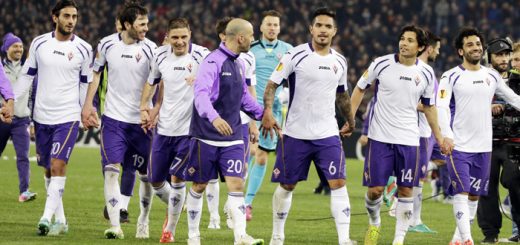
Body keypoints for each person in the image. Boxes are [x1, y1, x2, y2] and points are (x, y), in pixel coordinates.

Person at [260, 7, 356, 245]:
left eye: (328, 27)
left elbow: (342, 95)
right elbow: (272, 85)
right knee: (287, 184)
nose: (323, 30)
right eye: (319, 25)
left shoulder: (339, 61)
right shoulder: (295, 55)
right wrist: (268, 112)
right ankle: (277, 235)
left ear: (335, 31)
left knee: (338, 183)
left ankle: (344, 240)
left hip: (327, 134)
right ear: (311, 29)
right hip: (296, 133)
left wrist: (351, 120)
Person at [350, 25, 443, 245]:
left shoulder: (427, 73)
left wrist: (440, 137)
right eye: (402, 38)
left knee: (406, 189)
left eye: (410, 40)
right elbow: (360, 88)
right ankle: (374, 224)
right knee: (375, 191)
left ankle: (398, 240)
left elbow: (429, 107)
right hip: (380, 138)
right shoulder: (381, 63)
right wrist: (350, 118)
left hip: (410, 139)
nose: (404, 43)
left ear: (421, 47)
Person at [13, 0, 93, 236]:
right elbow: (27, 76)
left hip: (67, 116)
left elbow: (85, 83)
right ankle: (61, 219)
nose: (71, 21)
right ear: (55, 17)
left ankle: (45, 218)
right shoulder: (39, 43)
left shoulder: (84, 49)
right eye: (66, 16)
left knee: (59, 164)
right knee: (49, 169)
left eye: (74, 17)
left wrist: (84, 111)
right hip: (41, 116)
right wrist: (10, 102)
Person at [183, 18, 264, 245]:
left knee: (236, 184)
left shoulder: (239, 64)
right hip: (205, 137)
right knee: (199, 185)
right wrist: (214, 117)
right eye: (251, 35)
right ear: (240, 38)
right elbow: (200, 95)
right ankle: (193, 236)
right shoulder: (212, 62)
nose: (252, 39)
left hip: (232, 138)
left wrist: (264, 115)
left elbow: (244, 99)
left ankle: (240, 236)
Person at [437, 27, 520, 245]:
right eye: (470, 44)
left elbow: (513, 98)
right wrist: (446, 136)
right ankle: (467, 239)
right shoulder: (451, 76)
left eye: (477, 44)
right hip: (459, 146)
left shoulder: (491, 75)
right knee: (462, 192)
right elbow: (441, 107)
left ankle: (457, 238)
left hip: (484, 147)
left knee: (474, 195)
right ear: (460, 51)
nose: (475, 47)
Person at [81, 1, 157, 239]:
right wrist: (87, 105)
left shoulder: (152, 49)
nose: (146, 27)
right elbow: (95, 75)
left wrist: (155, 110)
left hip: (142, 123)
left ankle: (143, 219)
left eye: (147, 23)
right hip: (113, 120)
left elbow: (158, 82)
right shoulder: (106, 44)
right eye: (141, 23)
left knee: (146, 175)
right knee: (112, 170)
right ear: (126, 24)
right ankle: (115, 225)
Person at [139, 17, 210, 243]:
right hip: (164, 129)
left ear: (190, 34)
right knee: (156, 180)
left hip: (189, 131)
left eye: (184, 37)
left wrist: (199, 80)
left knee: (177, 178)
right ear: (168, 37)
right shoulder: (160, 55)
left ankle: (169, 229)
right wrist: (146, 107)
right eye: (175, 38)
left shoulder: (202, 56)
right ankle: (177, 207)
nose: (180, 42)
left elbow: (215, 84)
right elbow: (152, 82)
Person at [245, 10, 292, 220]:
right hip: (247, 108)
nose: (272, 28)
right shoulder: (251, 49)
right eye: (269, 24)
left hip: (271, 113)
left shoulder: (288, 51)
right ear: (261, 28)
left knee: (262, 158)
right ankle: (236, 198)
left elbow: (294, 79)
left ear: (280, 28)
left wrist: (287, 95)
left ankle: (246, 203)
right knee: (249, 152)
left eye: (276, 24)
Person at [213, 16, 259, 231]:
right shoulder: (213, 60)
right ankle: (213, 216)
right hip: (217, 124)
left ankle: (232, 211)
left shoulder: (247, 60)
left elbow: (249, 92)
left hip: (240, 122)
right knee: (210, 175)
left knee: (241, 171)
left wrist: (254, 121)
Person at [476, 37, 519, 244]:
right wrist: (488, 108)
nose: (504, 59)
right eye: (499, 55)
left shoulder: (518, 80)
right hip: (486, 142)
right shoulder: (479, 79)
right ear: (488, 57)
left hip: (514, 142)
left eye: (506, 54)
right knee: (486, 187)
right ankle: (490, 233)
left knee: (514, 182)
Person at [408, 30, 442, 234]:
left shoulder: (426, 70)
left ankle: (414, 218)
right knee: (418, 177)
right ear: (429, 48)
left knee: (430, 168)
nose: (438, 52)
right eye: (437, 48)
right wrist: (429, 107)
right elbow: (415, 102)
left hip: (426, 131)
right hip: (419, 131)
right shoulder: (420, 71)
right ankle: (414, 220)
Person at [0, 32, 37, 202]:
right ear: (7, 48)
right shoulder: (1, 68)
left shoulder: (28, 70)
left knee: (23, 157)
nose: (19, 49)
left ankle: (24, 191)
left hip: (21, 120)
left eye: (21, 46)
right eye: (15, 46)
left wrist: (33, 121)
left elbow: (33, 95)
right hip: (1, 119)